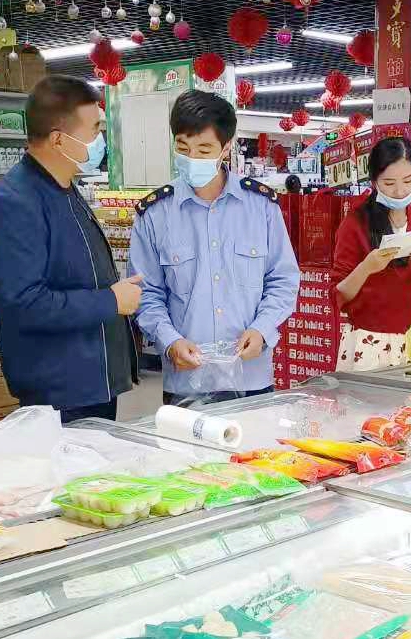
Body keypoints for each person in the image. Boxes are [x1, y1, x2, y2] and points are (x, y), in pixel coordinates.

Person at [0, 75, 142, 423]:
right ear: (58, 139)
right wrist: (110, 301)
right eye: (95, 130)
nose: (101, 141)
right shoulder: (17, 202)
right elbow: (25, 304)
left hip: (92, 382)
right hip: (60, 389)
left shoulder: (65, 188)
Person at [129, 90, 300, 406]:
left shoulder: (260, 207)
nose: (192, 158)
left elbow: (283, 280)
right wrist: (170, 341)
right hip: (186, 380)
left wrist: (262, 330)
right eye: (183, 148)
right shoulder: (155, 213)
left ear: (226, 147)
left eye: (204, 149)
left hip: (251, 376)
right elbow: (146, 293)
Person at [333, 137, 411, 371]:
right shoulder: (355, 225)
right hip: (368, 344)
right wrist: (366, 268)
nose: (400, 191)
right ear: (374, 182)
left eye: (408, 181)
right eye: (389, 183)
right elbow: (339, 294)